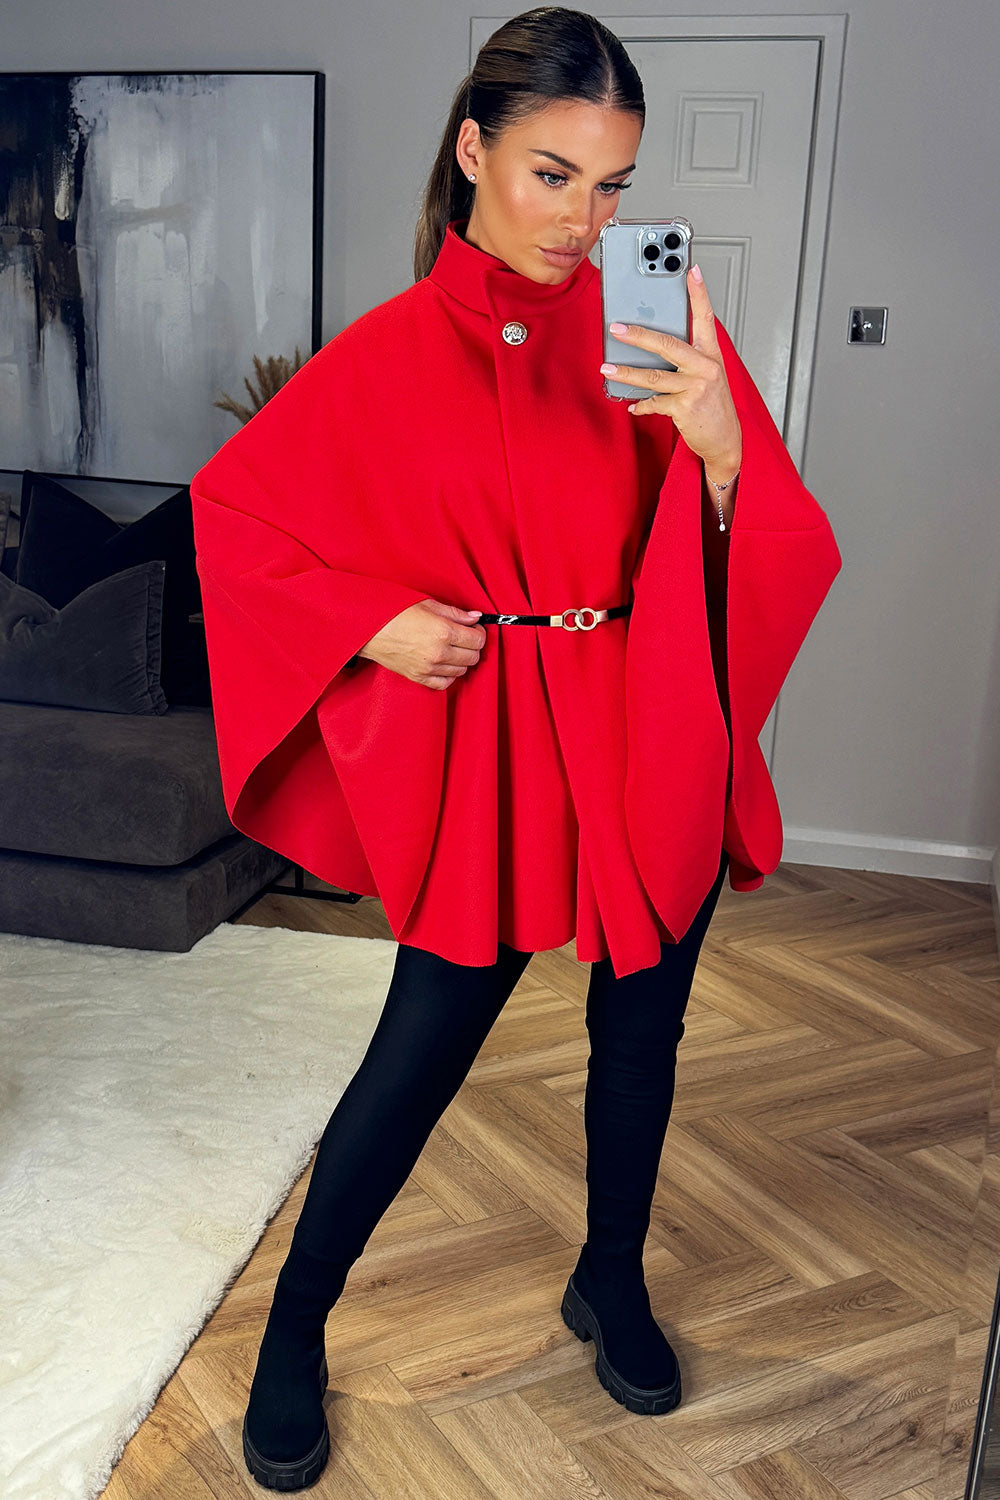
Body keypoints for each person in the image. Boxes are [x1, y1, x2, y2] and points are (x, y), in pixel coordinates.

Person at [189, 7, 842, 1489]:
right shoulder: (382, 354)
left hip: (644, 725)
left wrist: (723, 453)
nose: (582, 220)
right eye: (554, 175)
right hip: (488, 745)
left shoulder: (656, 336)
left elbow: (772, 547)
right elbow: (236, 525)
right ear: (474, 151)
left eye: (612, 188)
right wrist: (370, 622)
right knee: (417, 1052)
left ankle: (610, 1274)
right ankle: (295, 1329)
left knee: (643, 1034)